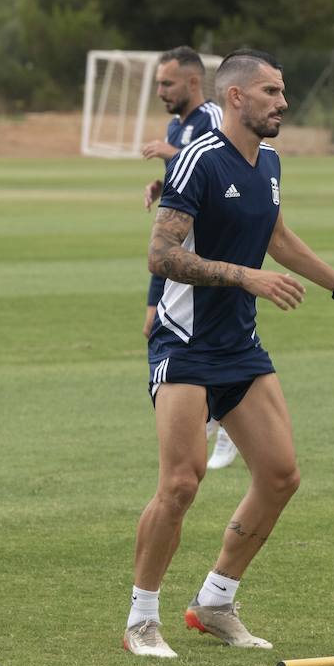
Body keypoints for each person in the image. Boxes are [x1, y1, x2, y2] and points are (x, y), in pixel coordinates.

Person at [125, 48, 334, 659]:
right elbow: (161, 256)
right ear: (237, 97)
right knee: (181, 484)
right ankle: (142, 618)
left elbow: (275, 235)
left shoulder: (268, 159)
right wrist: (245, 277)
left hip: (238, 346)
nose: (283, 101)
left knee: (279, 476)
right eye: (272, 91)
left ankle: (215, 601)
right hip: (184, 342)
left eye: (283, 90)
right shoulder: (196, 160)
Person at [140, 46, 235, 471]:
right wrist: (165, 183)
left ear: (194, 83)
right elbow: (192, 182)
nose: (160, 91)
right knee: (164, 332)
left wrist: (170, 154)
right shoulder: (176, 125)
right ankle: (209, 419)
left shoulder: (213, 119)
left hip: (211, 255)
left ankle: (225, 422)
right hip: (178, 253)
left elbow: (221, 169)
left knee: (211, 339)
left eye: (167, 83)